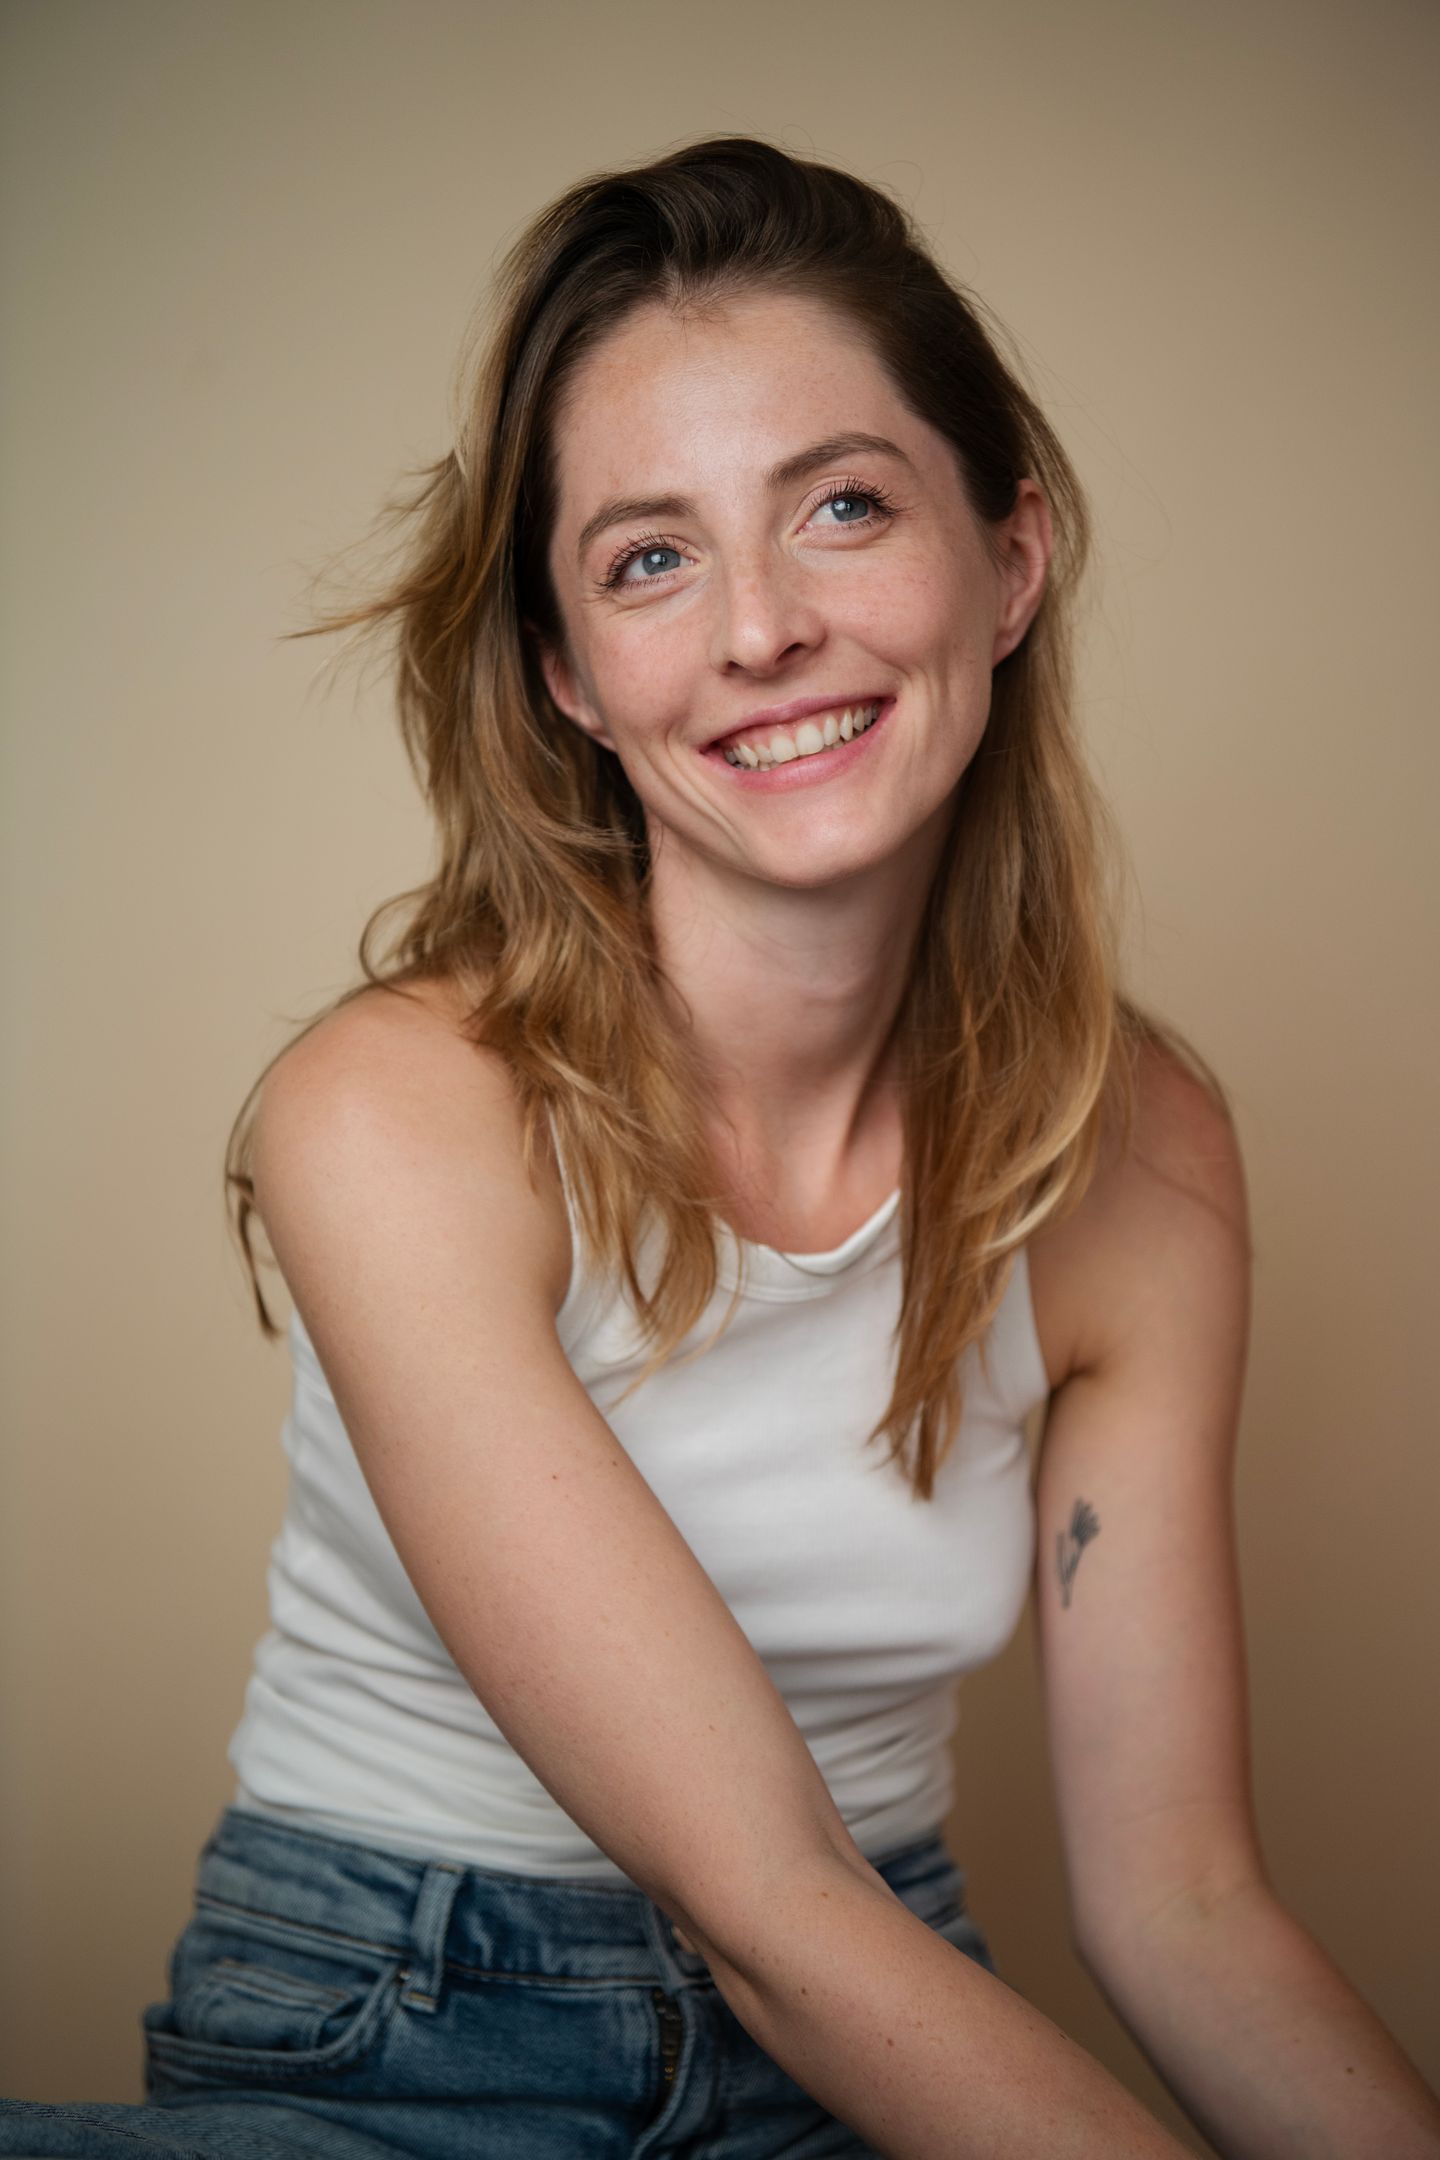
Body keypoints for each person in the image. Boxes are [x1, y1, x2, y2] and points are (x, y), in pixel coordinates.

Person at [4, 134, 1436, 2160]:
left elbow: (1185, 1908)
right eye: (649, 560)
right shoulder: (398, 1114)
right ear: (573, 677)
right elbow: (765, 1902)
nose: (761, 630)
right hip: (394, 2034)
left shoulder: (1146, 1161)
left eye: (843, 506)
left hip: (893, 2029)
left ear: (1010, 563)